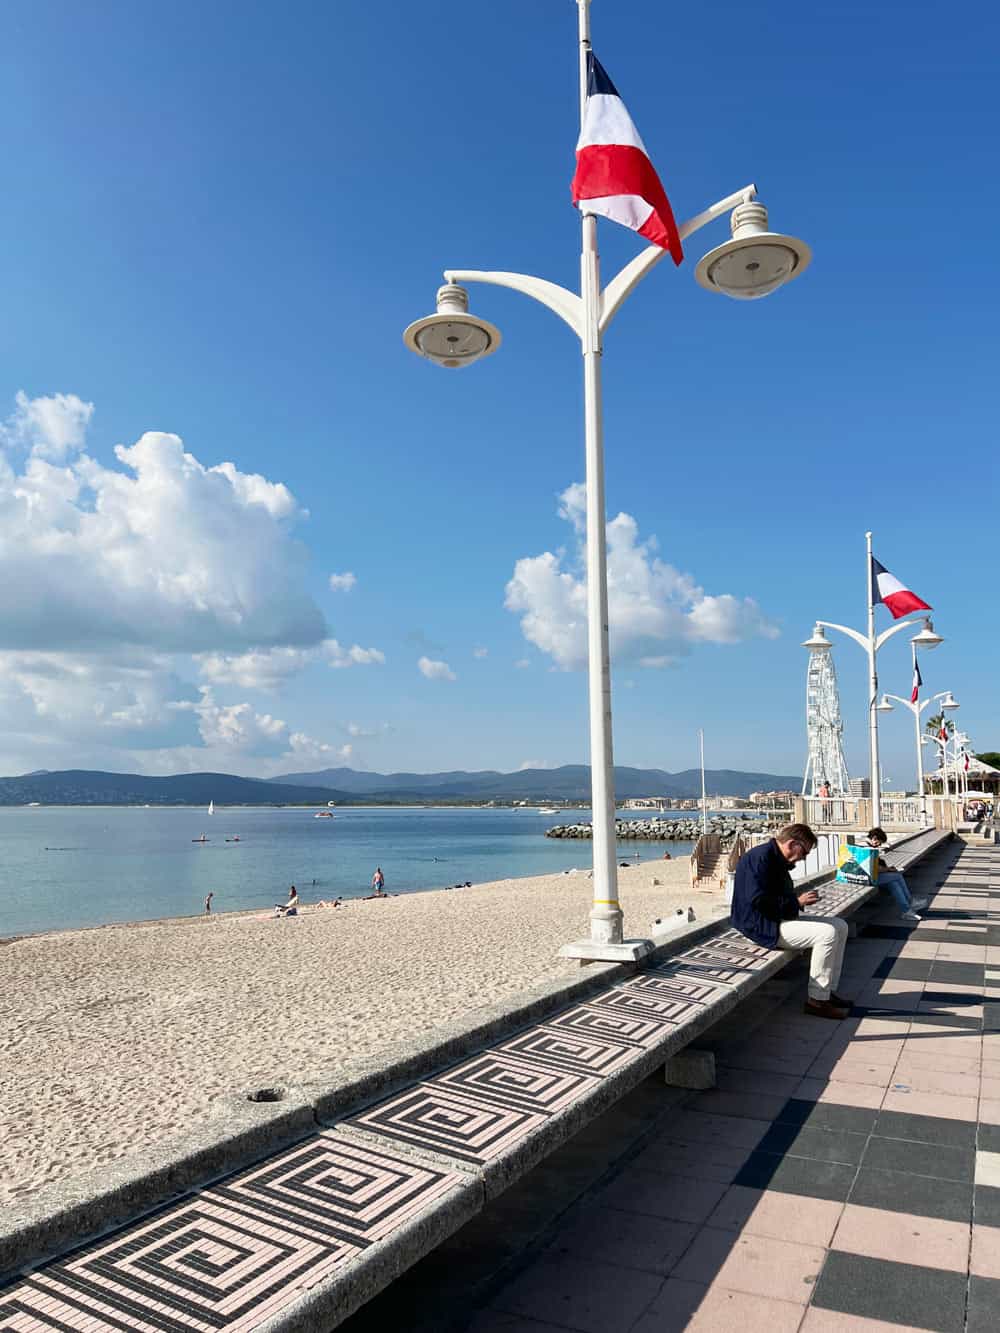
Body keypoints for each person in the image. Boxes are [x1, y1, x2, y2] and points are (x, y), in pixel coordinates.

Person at [731, 822, 851, 1020]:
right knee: (827, 934)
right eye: (804, 852)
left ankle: (826, 992)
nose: (804, 858)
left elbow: (774, 895)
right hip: (761, 926)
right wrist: (796, 901)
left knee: (840, 926)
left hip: (775, 919)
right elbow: (758, 901)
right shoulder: (761, 858)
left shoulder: (774, 858)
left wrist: (796, 901)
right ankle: (817, 1000)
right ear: (792, 843)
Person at [866, 828, 928, 922]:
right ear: (874, 838)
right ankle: (910, 902)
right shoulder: (868, 849)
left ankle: (906, 911)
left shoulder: (864, 845)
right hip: (867, 879)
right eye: (879, 842)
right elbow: (874, 869)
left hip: (868, 877)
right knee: (897, 875)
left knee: (893, 882)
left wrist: (887, 869)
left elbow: (873, 867)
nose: (879, 845)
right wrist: (888, 869)